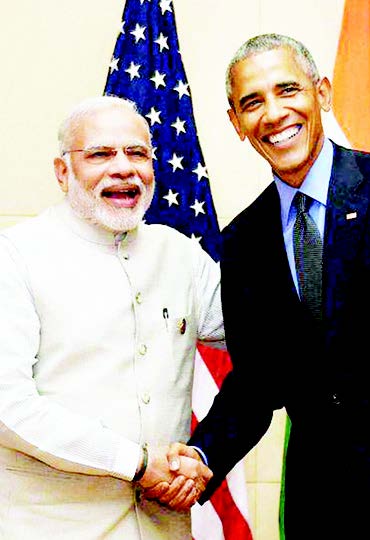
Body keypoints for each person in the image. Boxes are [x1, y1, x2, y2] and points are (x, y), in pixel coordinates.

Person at [162, 33, 370, 538]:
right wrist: (204, 456)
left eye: (287, 90)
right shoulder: (243, 240)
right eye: (253, 102)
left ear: (322, 93)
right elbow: (256, 381)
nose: (273, 113)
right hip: (321, 509)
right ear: (236, 123)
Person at [0, 95, 223, 539]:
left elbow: (265, 342)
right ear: (63, 172)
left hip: (165, 526)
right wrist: (134, 463)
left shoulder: (179, 253)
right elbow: (8, 406)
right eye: (100, 154)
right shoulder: (16, 256)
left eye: (137, 153)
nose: (123, 168)